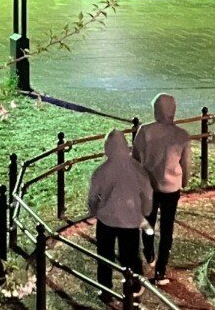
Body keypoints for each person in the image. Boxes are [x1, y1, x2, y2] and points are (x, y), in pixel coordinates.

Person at [132, 93, 192, 282]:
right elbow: (186, 164)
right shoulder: (181, 135)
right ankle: (160, 270)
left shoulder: (145, 131)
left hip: (149, 185)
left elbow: (135, 158)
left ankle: (149, 253)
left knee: (148, 222)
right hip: (171, 187)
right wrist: (185, 181)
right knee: (167, 229)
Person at [86, 129, 152, 294]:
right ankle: (133, 287)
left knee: (104, 255)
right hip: (130, 219)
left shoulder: (101, 171)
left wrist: (94, 211)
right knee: (130, 255)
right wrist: (144, 211)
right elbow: (147, 193)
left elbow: (93, 196)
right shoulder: (137, 169)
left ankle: (105, 288)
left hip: (107, 218)